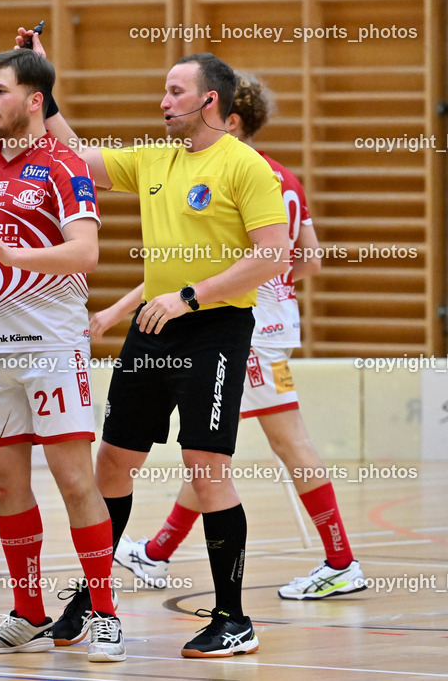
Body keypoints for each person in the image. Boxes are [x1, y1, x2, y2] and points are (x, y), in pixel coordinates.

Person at [21, 28, 289, 658]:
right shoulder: (155, 159)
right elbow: (74, 157)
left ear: (210, 101)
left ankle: (233, 618)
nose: (163, 102)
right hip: (153, 330)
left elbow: (272, 256)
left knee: (206, 469)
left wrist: (190, 297)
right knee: (111, 464)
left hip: (213, 330)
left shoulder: (245, 166)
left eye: (175, 92)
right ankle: (94, 598)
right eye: (164, 92)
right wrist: (43, 85)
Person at [105, 72, 365, 601]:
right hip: (274, 323)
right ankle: (158, 551)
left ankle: (340, 562)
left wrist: (246, 286)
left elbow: (237, 262)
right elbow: (308, 260)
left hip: (242, 326)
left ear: (232, 118)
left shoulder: (236, 171)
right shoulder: (284, 177)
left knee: (277, 444)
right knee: (208, 453)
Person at [0, 48, 125, 664]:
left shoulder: (65, 165)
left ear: (34, 100)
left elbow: (86, 252)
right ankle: (28, 614)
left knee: (74, 481)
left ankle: (105, 615)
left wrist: (16, 259)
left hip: (52, 349)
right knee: (4, 484)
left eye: (1, 90)